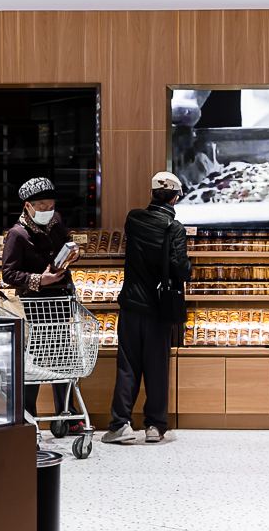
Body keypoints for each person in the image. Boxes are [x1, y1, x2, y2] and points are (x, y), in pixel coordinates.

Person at [102, 171, 192, 444]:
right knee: (157, 368)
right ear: (175, 198)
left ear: (152, 194)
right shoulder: (174, 228)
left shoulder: (133, 219)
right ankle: (154, 426)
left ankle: (120, 424)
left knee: (127, 366)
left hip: (131, 305)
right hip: (158, 309)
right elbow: (181, 270)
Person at [0, 177, 84, 433]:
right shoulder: (17, 234)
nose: (48, 211)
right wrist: (39, 279)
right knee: (32, 366)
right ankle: (28, 419)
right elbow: (9, 274)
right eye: (42, 207)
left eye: (51, 206)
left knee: (63, 360)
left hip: (59, 302)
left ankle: (67, 417)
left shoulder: (56, 221)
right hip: (33, 307)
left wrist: (73, 253)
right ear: (28, 206)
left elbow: (66, 241)